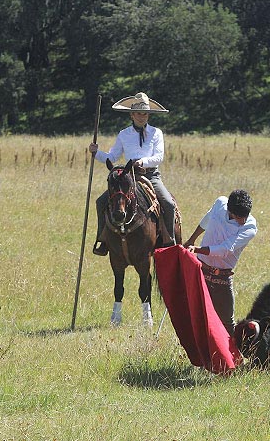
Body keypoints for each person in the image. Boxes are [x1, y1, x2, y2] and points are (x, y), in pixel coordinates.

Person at [89, 92, 176, 256]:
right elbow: (112, 157)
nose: (142, 117)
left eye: (145, 113)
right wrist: (96, 152)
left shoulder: (156, 133)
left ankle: (169, 240)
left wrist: (142, 162)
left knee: (168, 203)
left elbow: (159, 157)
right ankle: (103, 239)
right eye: (138, 113)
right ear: (132, 114)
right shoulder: (124, 134)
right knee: (101, 202)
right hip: (128, 178)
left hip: (150, 175)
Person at [184, 189, 258, 335]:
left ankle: (231, 356)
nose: (243, 220)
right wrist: (191, 239)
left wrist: (197, 249)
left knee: (227, 323)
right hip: (200, 271)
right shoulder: (220, 203)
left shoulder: (250, 227)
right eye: (239, 217)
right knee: (195, 315)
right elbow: (206, 220)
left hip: (222, 279)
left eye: (245, 215)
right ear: (230, 211)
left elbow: (225, 250)